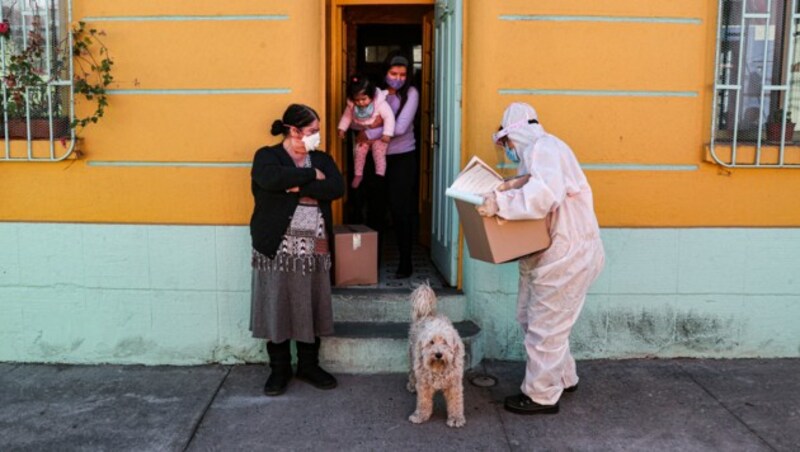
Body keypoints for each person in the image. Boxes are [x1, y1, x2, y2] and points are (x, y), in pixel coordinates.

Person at [477, 102, 605, 414]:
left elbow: (542, 197)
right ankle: (563, 376)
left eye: (506, 143)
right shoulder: (542, 153)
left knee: (545, 327)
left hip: (566, 256)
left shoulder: (544, 149)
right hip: (559, 254)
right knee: (538, 320)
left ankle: (541, 395)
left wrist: (500, 203)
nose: (506, 150)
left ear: (514, 135)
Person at [249, 103, 345, 396]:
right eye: (311, 131)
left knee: (310, 303)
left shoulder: (322, 159)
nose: (316, 136)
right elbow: (269, 180)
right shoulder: (267, 156)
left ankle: (308, 365)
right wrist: (308, 176)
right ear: (293, 131)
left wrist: (297, 187)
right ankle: (279, 369)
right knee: (277, 302)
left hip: (314, 247)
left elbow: (335, 188)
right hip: (275, 244)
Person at [358, 53, 419, 278]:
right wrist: (364, 129)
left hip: (402, 158)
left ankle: (405, 262)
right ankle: (371, 262)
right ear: (385, 73)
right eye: (393, 74)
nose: (398, 78)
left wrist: (369, 132)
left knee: (401, 210)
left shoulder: (411, 93)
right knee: (375, 210)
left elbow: (401, 127)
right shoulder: (375, 93)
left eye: (403, 74)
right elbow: (359, 117)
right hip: (376, 157)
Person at [338, 74, 396, 189]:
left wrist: (387, 133)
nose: (360, 103)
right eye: (357, 100)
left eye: (363, 99)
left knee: (378, 152)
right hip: (363, 136)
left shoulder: (379, 104)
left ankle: (380, 173)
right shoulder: (352, 106)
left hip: (379, 137)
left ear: (372, 96)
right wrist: (342, 128)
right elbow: (346, 117)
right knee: (359, 151)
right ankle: (358, 175)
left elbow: (389, 117)